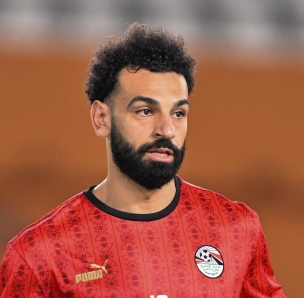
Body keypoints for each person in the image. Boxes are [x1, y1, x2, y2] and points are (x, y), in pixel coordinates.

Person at [0, 23, 285, 298]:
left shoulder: (236, 229)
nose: (167, 129)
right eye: (146, 111)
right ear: (101, 118)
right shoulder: (39, 255)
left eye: (178, 113)